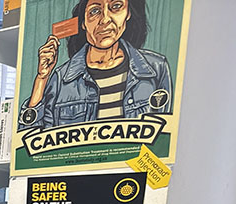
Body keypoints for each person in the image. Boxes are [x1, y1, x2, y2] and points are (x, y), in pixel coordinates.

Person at [18, 0, 172, 130]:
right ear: (83, 23)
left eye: (116, 6)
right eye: (94, 11)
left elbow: (163, 138)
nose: (105, 19)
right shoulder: (61, 79)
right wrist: (41, 78)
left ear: (128, 13)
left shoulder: (156, 68)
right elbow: (29, 146)